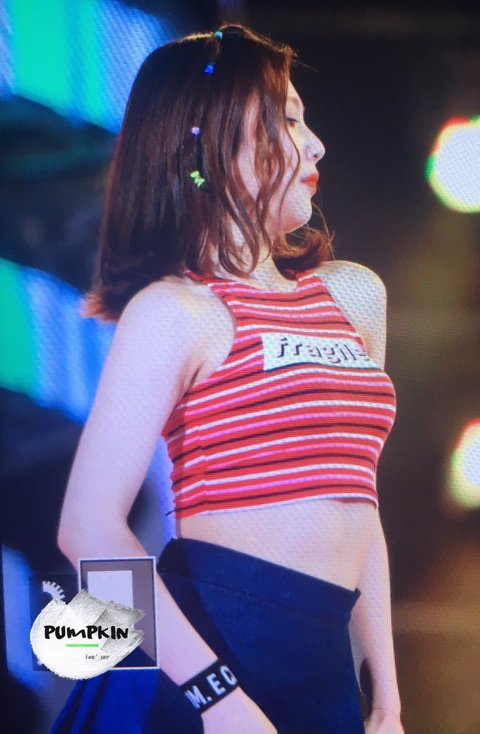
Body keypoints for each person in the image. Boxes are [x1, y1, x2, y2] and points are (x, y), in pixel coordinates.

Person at [51, 22, 405, 734]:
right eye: (289, 121)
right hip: (203, 670)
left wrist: (387, 701)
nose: (316, 145)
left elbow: (358, 507)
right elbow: (86, 530)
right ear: (208, 146)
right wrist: (217, 698)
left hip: (321, 675)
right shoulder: (176, 310)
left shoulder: (352, 295)